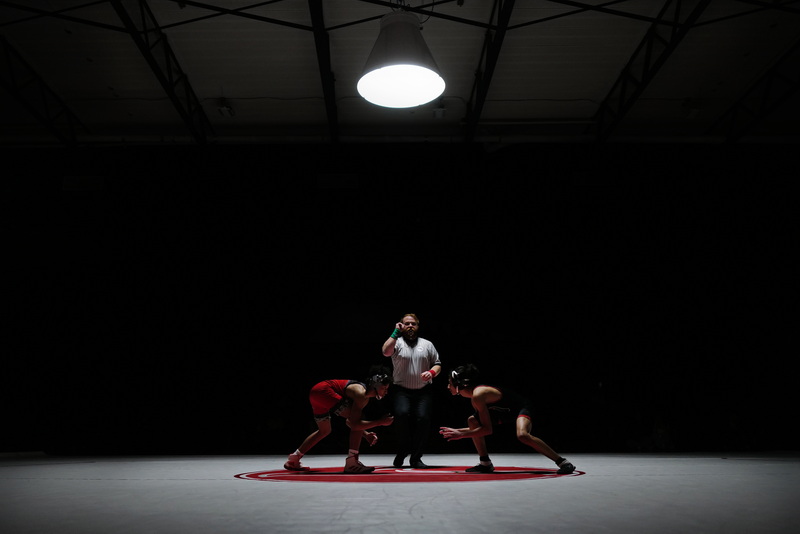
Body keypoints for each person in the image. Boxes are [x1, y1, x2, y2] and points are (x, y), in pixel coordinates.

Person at [439, 364, 576, 474]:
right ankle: (485, 463)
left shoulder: (479, 395)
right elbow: (482, 428)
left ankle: (563, 462)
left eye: (449, 383)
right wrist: (457, 431)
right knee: (472, 421)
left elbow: (487, 430)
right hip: (503, 412)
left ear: (459, 384)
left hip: (520, 408)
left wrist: (461, 434)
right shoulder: (474, 398)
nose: (447, 386)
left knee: (522, 435)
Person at [284, 367, 394, 474]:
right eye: (384, 388)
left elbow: (350, 422)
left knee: (324, 431)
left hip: (316, 392)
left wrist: (365, 434)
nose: (386, 392)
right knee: (360, 420)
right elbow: (355, 424)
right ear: (375, 384)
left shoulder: (362, 395)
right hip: (324, 391)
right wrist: (380, 422)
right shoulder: (361, 394)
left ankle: (294, 459)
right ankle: (352, 462)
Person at [382, 313, 442, 469]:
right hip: (401, 390)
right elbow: (385, 352)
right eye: (406, 324)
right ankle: (402, 450)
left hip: (423, 391)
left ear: (417, 326)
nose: (410, 326)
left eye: (413, 324)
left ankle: (416, 458)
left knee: (423, 419)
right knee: (401, 415)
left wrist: (432, 372)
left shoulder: (427, 344)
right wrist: (395, 332)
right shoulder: (397, 342)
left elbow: (437, 364)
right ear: (401, 326)